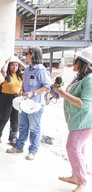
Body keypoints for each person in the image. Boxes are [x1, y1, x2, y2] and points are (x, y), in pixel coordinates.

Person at [54, 46, 92, 192]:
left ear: (83, 63)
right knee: (79, 148)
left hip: (84, 121)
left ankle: (82, 181)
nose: (73, 63)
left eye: (75, 60)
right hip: (76, 119)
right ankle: (76, 176)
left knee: (72, 147)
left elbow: (84, 104)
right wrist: (61, 90)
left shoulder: (89, 80)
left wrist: (62, 93)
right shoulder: (79, 77)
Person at [6, 46, 52, 161]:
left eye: (27, 54)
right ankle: (19, 146)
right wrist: (22, 89)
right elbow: (24, 83)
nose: (25, 56)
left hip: (36, 104)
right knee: (23, 126)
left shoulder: (40, 70)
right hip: (25, 103)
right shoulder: (27, 69)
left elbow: (47, 86)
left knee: (34, 128)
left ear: (32, 55)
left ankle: (33, 151)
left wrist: (33, 93)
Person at [0, 56, 24, 144]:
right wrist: (7, 61)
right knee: (4, 118)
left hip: (16, 98)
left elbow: (28, 70)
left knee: (15, 119)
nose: (14, 67)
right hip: (5, 98)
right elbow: (3, 70)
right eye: (12, 65)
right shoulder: (5, 75)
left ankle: (12, 138)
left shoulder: (20, 76)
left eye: (16, 65)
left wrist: (20, 62)